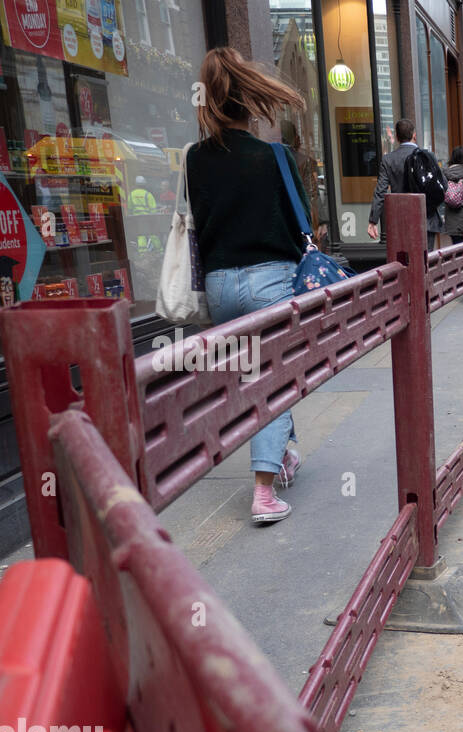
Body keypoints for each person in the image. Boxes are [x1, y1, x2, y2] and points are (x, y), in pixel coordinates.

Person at [188, 47, 311, 525]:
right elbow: (296, 223)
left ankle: (283, 453)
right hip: (269, 279)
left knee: (248, 375)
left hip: (220, 285)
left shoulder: (194, 160)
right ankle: (263, 493)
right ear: (249, 100)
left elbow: (199, 223)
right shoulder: (272, 158)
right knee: (274, 379)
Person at [367, 118, 444, 251]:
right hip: (427, 219)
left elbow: (381, 191)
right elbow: (443, 185)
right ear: (414, 135)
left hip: (402, 220)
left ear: (397, 137)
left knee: (404, 261)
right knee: (425, 261)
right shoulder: (427, 156)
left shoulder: (388, 160)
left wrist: (373, 221)